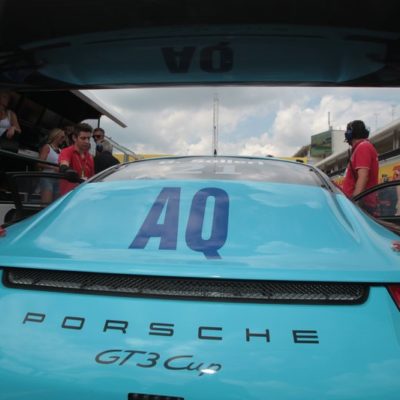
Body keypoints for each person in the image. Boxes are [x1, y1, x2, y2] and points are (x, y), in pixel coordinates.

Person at [342, 120, 379, 214]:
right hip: (361, 205)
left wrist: (354, 202)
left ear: (350, 134)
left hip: (361, 206)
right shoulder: (362, 147)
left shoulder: (363, 147)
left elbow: (363, 177)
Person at [58, 123, 94, 195]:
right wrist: (66, 170)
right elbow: (64, 165)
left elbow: (92, 178)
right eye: (83, 138)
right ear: (74, 138)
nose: (87, 141)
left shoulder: (90, 157)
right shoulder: (67, 151)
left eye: (88, 138)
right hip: (69, 196)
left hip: (84, 195)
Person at [38, 128, 66, 203]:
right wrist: (53, 167)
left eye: (64, 137)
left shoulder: (61, 151)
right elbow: (39, 163)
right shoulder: (47, 147)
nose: (63, 139)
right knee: (46, 204)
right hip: (47, 177)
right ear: (56, 136)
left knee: (55, 204)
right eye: (62, 137)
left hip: (58, 179)